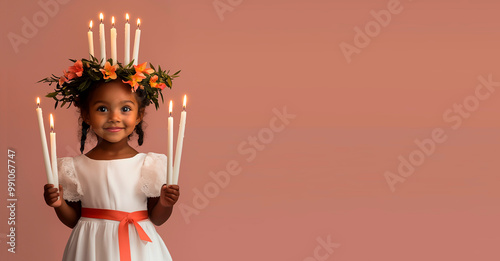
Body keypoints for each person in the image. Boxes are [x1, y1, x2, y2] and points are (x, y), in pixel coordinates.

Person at [41, 58, 181, 261]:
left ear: (139, 115)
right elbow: (75, 220)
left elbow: (156, 218)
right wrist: (59, 203)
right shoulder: (75, 167)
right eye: (102, 109)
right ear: (86, 115)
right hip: (91, 247)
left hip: (139, 248)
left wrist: (166, 203)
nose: (114, 117)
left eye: (125, 109)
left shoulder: (148, 165)